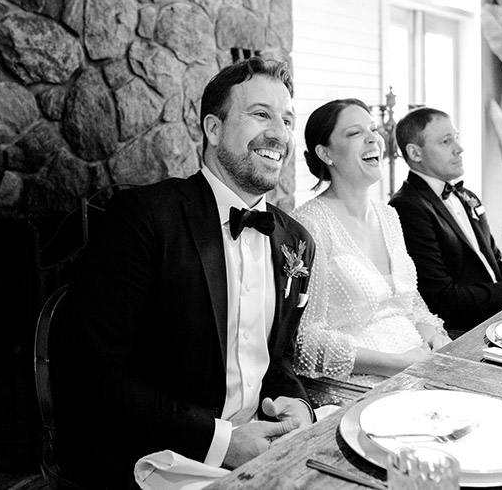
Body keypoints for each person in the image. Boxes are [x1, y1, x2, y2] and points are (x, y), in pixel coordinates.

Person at [52, 58, 316, 489]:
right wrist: (222, 441)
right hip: (161, 458)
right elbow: (92, 372)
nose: (279, 134)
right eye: (261, 114)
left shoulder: (297, 241)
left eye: (287, 119)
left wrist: (298, 404)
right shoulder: (143, 219)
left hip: (264, 448)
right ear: (213, 129)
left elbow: (277, 359)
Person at [293, 99, 450, 385]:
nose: (373, 138)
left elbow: (411, 303)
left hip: (420, 365)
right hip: (358, 385)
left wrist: (433, 336)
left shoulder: (389, 215)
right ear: (325, 153)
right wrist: (397, 365)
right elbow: (305, 340)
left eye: (374, 129)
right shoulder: (310, 225)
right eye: (354, 133)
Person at [389, 107, 502, 336]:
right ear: (415, 153)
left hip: (500, 319)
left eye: (456, 138)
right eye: (446, 142)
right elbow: (439, 298)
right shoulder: (407, 207)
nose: (459, 149)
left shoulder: (467, 196)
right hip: (460, 332)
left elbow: (495, 261)